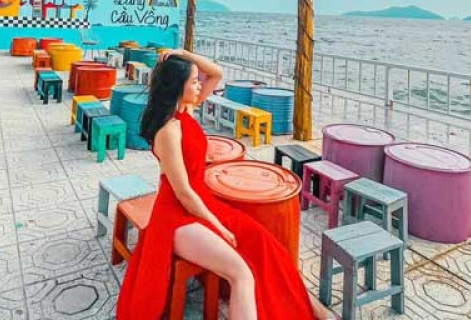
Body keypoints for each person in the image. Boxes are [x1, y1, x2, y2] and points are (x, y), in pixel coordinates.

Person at [116, 49, 338, 319]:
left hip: (203, 203)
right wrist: (219, 227)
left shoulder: (187, 109)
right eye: (194, 81)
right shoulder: (168, 131)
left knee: (266, 245)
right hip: (176, 217)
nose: (200, 85)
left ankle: (312, 309)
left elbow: (217, 73)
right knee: (241, 273)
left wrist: (182, 53)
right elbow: (183, 193)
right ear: (178, 88)